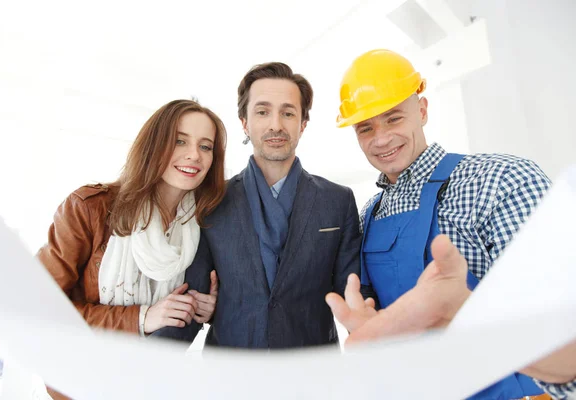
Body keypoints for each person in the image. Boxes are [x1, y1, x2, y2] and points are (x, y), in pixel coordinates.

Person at [334, 49, 552, 399]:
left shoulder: (501, 180)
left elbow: (553, 308)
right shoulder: (367, 216)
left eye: (393, 118)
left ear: (421, 110)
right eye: (366, 127)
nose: (381, 139)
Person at [158, 62, 361, 349]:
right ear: (245, 122)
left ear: (303, 124)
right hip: (230, 369)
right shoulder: (210, 200)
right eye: (262, 112)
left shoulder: (338, 200)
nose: (275, 124)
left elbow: (353, 292)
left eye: (288, 113)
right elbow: (193, 300)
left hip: (313, 369)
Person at [37, 100, 225, 397]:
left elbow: (193, 308)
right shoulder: (89, 209)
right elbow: (40, 310)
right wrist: (140, 318)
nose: (194, 155)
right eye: (180, 141)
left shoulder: (203, 224)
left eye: (206, 146)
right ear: (154, 144)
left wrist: (212, 310)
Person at [326, 234, 576, 400]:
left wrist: (473, 325)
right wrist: (380, 337)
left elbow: (550, 308)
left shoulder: (503, 178)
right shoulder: (371, 211)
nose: (379, 148)